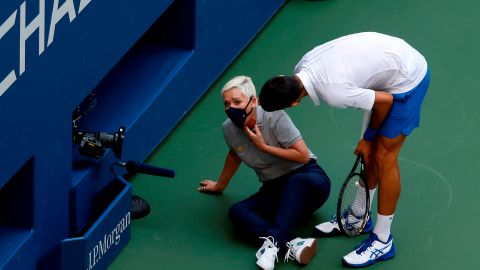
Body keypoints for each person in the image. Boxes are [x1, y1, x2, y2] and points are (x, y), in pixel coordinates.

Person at [259, 32, 430, 267]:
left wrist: (369, 138)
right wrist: (366, 141)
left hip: (408, 77)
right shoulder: (303, 64)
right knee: (368, 154)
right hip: (388, 62)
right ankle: (359, 215)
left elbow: (385, 101)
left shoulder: (334, 93)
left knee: (383, 157)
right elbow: (373, 97)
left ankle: (382, 240)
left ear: (294, 103)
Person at [198, 75, 331, 270]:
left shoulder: (274, 116)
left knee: (297, 182)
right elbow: (235, 154)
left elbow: (302, 156)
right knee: (238, 212)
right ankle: (294, 243)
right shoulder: (229, 129)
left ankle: (273, 243)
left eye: (237, 101)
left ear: (253, 101)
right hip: (275, 189)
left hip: (309, 182)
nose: (231, 108)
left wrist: (264, 147)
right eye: (226, 104)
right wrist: (220, 185)